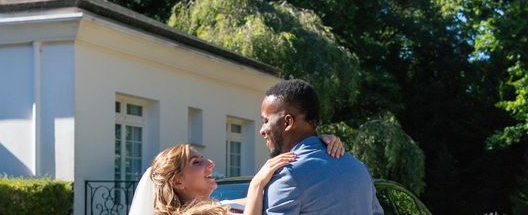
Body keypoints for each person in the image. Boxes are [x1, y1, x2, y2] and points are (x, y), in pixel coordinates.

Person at [128, 135, 344, 215]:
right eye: (197, 162)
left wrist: (315, 144)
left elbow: (270, 199)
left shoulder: (224, 206)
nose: (210, 163)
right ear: (177, 181)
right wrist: (257, 183)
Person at [260, 79, 384, 215]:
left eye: (266, 121)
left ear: (287, 122)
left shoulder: (288, 174)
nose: (262, 130)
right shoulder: (359, 168)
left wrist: (256, 185)